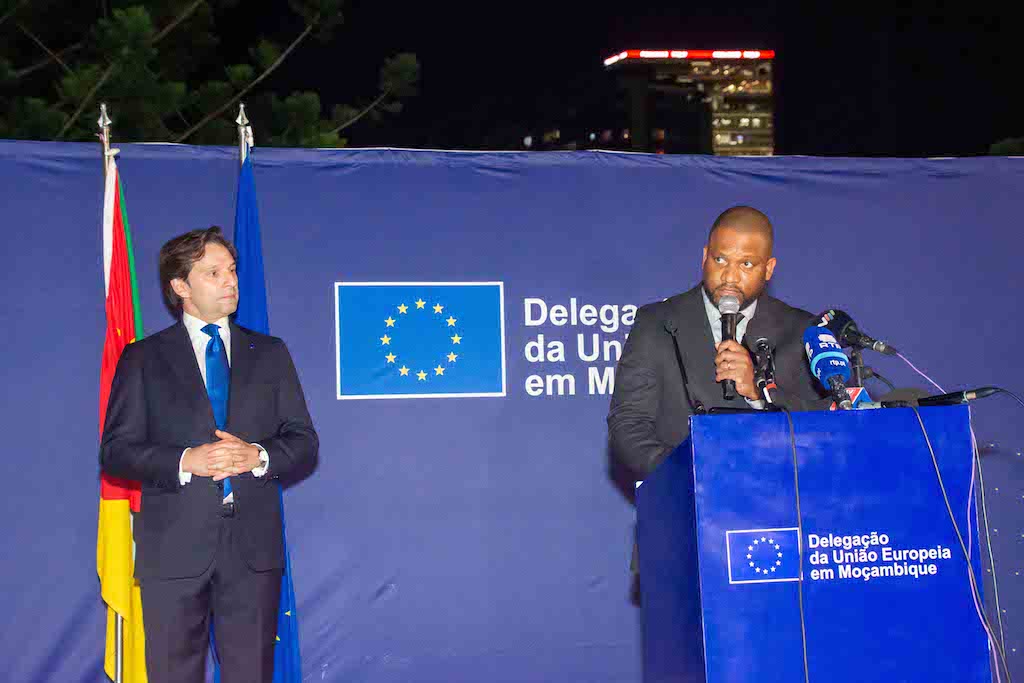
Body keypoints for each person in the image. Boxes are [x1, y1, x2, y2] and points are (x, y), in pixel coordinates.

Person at [100, 227, 318, 683]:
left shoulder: (270, 353)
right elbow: (117, 452)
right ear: (180, 286)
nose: (230, 281)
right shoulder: (142, 358)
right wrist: (186, 461)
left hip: (252, 550)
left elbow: (303, 443)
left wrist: (257, 455)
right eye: (213, 273)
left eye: (232, 270)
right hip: (173, 548)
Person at [608, 205, 824, 479]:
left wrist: (759, 393)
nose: (729, 277)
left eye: (746, 264)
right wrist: (690, 475)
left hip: (777, 492)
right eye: (720, 260)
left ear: (768, 269)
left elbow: (824, 427)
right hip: (686, 493)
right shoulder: (657, 322)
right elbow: (628, 424)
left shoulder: (802, 330)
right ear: (704, 257)